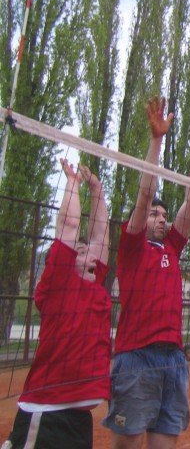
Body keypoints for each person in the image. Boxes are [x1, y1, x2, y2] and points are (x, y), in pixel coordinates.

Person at [102, 97, 190, 448]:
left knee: (164, 442)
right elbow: (145, 194)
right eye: (155, 214)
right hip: (137, 355)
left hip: (173, 359)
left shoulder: (171, 246)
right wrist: (157, 140)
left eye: (163, 215)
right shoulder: (132, 245)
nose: (160, 218)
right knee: (127, 442)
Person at [3, 160, 110, 449]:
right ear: (66, 261)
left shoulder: (95, 288)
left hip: (79, 417)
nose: (92, 256)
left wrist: (97, 190)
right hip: (47, 410)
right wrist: (73, 183)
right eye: (82, 252)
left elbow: (100, 237)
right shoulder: (59, 283)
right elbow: (69, 225)